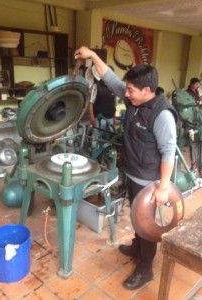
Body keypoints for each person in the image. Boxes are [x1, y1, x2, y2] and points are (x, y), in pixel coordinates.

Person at [74, 46, 177, 290]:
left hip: (149, 180)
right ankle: (137, 246)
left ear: (147, 91)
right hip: (132, 172)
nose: (126, 94)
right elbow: (109, 78)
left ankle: (145, 270)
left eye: (130, 90)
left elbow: (169, 152)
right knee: (136, 218)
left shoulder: (162, 115)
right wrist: (94, 56)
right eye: (127, 89)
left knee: (147, 224)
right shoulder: (135, 99)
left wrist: (163, 188)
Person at [88, 65, 116, 137]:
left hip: (110, 118)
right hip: (99, 118)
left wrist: (114, 117)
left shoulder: (113, 86)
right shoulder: (96, 85)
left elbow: (114, 102)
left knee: (109, 139)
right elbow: (91, 102)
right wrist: (92, 117)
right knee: (95, 139)